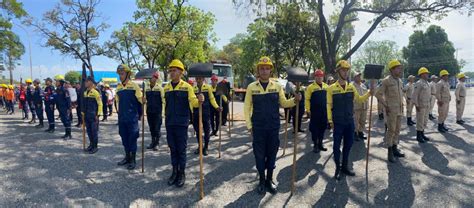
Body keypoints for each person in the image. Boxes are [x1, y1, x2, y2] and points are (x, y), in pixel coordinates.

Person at [244, 56, 299, 194]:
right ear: (258, 70)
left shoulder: (277, 86)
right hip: (258, 127)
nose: (264, 71)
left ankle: (269, 179)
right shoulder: (251, 87)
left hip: (273, 127)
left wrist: (295, 100)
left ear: (270, 71)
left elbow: (284, 103)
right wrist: (249, 126)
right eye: (261, 68)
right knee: (259, 155)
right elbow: (246, 108)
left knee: (272, 154)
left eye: (267, 68)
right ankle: (262, 180)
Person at [327, 60, 371, 179]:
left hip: (349, 121)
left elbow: (360, 99)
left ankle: (345, 166)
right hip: (337, 122)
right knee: (336, 146)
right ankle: (337, 168)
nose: (346, 72)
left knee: (348, 144)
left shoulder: (351, 87)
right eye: (343, 70)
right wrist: (330, 121)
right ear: (338, 71)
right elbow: (328, 105)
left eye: (347, 70)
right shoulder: (331, 88)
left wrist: (370, 93)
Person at [163, 59, 201, 187]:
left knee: (181, 149)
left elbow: (193, 102)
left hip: (181, 123)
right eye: (171, 71)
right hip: (169, 122)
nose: (172, 73)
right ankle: (174, 171)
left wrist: (200, 100)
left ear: (181, 72)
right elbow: (165, 105)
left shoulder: (187, 87)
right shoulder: (166, 88)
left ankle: (182, 172)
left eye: (174, 71)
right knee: (172, 148)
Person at [375, 60, 406, 163]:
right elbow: (378, 94)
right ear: (392, 69)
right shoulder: (386, 81)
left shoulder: (400, 81)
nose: (400, 70)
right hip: (391, 110)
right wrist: (385, 105)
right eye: (397, 68)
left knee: (397, 130)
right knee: (391, 130)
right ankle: (389, 152)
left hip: (399, 110)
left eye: (400, 68)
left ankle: (395, 148)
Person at [115, 64, 143, 170]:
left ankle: (133, 159)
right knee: (124, 137)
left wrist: (144, 100)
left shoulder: (134, 86)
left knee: (132, 138)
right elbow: (117, 102)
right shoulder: (118, 87)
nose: (120, 76)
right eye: (119, 74)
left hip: (132, 118)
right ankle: (127, 157)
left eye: (122, 74)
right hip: (122, 118)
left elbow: (140, 100)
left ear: (128, 74)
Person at [192, 75, 221, 156]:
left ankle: (206, 147)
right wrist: (191, 111)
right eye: (197, 78)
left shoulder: (207, 88)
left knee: (207, 130)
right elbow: (191, 100)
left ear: (203, 79)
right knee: (198, 131)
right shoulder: (193, 89)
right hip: (196, 112)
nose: (198, 80)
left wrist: (217, 107)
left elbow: (212, 99)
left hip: (205, 111)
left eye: (200, 78)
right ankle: (200, 146)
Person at [305, 69, 329, 153]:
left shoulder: (326, 86)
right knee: (315, 129)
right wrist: (308, 110)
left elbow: (329, 99)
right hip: (314, 112)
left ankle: (320, 144)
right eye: (317, 76)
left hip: (324, 112)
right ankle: (315, 144)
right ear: (315, 77)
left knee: (322, 128)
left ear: (323, 77)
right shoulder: (310, 87)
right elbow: (307, 99)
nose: (319, 78)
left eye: (321, 76)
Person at [411, 67, 432, 143]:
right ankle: (418, 136)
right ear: (422, 74)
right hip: (421, 105)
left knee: (425, 120)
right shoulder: (419, 83)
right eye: (426, 73)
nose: (427, 75)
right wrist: (417, 105)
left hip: (427, 105)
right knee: (420, 120)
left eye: (427, 73)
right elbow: (414, 95)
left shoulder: (427, 83)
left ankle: (422, 134)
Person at [145, 72, 164, 151]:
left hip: (158, 112)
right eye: (150, 77)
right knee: (151, 128)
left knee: (157, 128)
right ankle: (152, 142)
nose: (151, 79)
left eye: (153, 77)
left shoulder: (160, 88)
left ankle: (157, 143)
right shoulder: (147, 88)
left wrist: (162, 113)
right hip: (149, 112)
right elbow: (145, 100)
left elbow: (163, 101)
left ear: (156, 79)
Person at [83, 76, 102, 154]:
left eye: (86, 82)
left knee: (94, 132)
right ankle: (91, 145)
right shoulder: (85, 92)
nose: (85, 83)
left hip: (93, 115)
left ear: (90, 82)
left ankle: (95, 147)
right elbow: (84, 104)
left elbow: (100, 104)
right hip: (87, 115)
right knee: (89, 131)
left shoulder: (95, 92)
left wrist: (98, 115)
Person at [55, 75, 72, 140]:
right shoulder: (57, 90)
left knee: (67, 121)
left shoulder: (64, 90)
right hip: (60, 108)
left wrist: (69, 108)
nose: (56, 82)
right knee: (63, 120)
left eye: (57, 81)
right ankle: (66, 133)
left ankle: (69, 134)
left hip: (65, 108)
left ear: (60, 82)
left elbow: (68, 100)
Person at [353, 71, 369, 141]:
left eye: (360, 76)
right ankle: (355, 134)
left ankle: (360, 132)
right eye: (357, 76)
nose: (359, 77)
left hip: (364, 106)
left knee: (363, 121)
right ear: (354, 77)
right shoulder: (352, 85)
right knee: (355, 121)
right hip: (356, 107)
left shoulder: (363, 85)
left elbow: (367, 95)